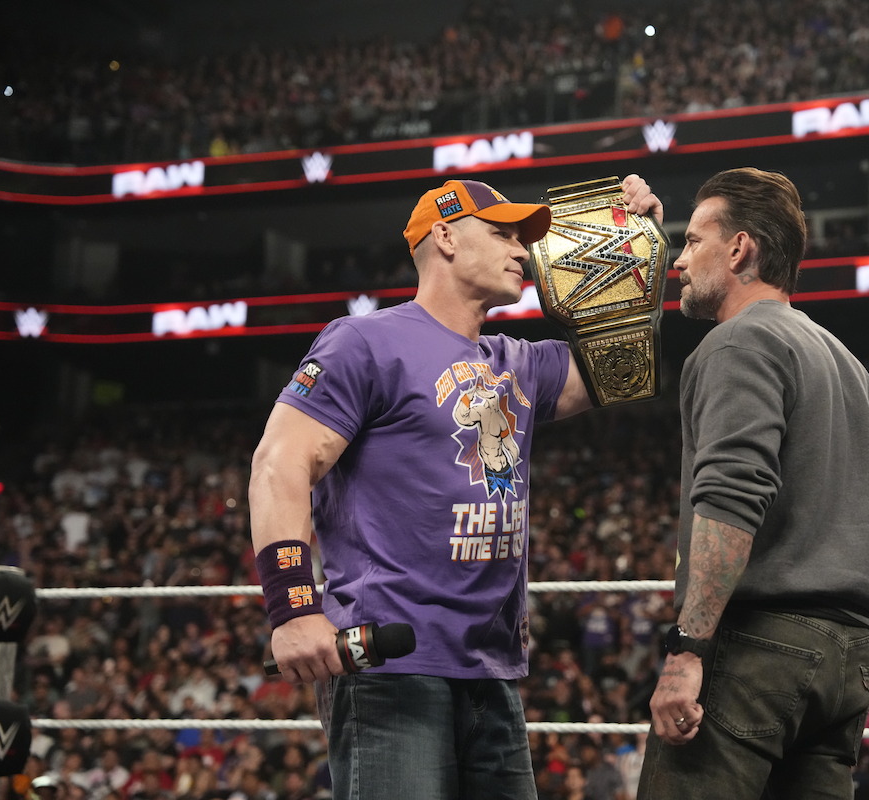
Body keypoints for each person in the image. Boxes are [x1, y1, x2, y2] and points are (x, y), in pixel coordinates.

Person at [248, 174, 663, 800]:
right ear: (444, 237)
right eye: (502, 234)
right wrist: (294, 609)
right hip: (392, 663)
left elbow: (625, 367)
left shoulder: (518, 361)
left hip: (491, 667)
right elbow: (279, 464)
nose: (523, 250)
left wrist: (634, 246)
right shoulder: (365, 341)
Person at [636, 167, 869, 799]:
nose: (678, 261)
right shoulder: (849, 366)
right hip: (847, 657)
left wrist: (687, 649)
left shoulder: (739, 342)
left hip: (759, 649)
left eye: (692, 241)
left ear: (739, 248)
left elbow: (731, 496)